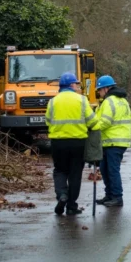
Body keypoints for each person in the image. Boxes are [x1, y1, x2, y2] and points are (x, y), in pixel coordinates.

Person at [45, 72, 98, 215]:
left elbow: (48, 121)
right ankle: (71, 206)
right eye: (75, 84)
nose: (76, 86)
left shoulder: (53, 101)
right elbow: (92, 121)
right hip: (78, 143)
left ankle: (62, 194)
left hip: (58, 142)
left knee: (60, 170)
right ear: (71, 85)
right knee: (75, 174)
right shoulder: (81, 100)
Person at [93, 75, 131, 207]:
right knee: (105, 169)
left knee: (112, 170)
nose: (99, 93)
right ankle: (109, 195)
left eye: (99, 90)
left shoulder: (109, 101)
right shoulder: (123, 101)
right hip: (115, 141)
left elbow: (105, 122)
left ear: (106, 88)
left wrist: (92, 127)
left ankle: (117, 197)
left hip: (113, 141)